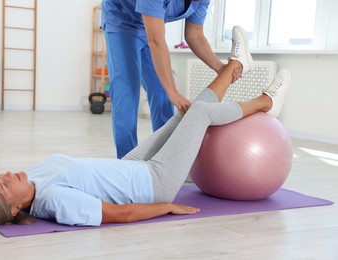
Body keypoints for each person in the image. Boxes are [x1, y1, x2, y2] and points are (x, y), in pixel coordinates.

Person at [0, 27, 291, 227]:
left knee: (184, 112)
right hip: (153, 182)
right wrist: (165, 205)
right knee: (202, 113)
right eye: (4, 185)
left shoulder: (31, 179)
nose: (7, 175)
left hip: (131, 167)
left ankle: (238, 66)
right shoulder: (54, 202)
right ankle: (265, 102)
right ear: (14, 209)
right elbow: (118, 215)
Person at [101, 0, 253, 158]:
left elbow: (195, 35)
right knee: (127, 92)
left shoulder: (201, 1)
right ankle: (127, 164)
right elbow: (156, 41)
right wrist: (173, 92)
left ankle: (165, 158)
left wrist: (220, 68)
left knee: (161, 91)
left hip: (148, 24)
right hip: (121, 21)